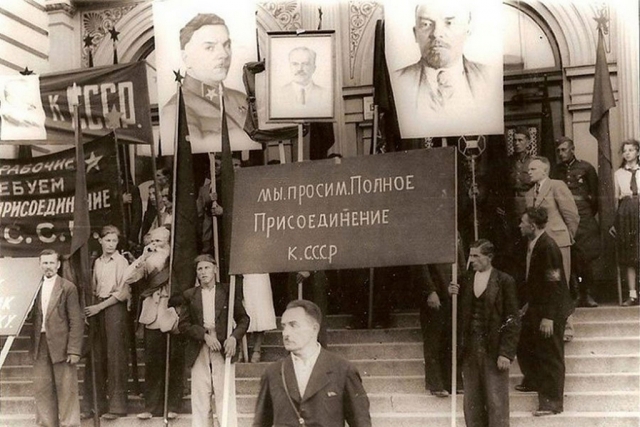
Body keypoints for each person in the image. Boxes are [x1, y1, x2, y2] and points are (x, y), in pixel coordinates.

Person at [252, 300, 372, 427]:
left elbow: (361, 423)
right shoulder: (273, 373)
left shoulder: (343, 370)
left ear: (314, 329)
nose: (285, 333)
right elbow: (260, 423)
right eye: (283, 326)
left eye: (293, 325)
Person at [394, 0, 499, 136]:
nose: (436, 33)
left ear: (467, 31)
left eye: (449, 23)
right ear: (415, 33)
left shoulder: (491, 78)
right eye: (426, 24)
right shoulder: (396, 82)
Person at [161, 13, 259, 152]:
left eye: (227, 45)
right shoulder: (176, 109)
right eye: (209, 47)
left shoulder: (241, 99)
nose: (224, 54)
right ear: (186, 57)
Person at [449, 240, 520, 427]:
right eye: (470, 255)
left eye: (476, 256)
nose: (471, 260)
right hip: (470, 347)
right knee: (472, 402)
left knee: (496, 401)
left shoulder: (504, 281)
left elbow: (512, 319)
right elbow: (457, 315)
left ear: (489, 257)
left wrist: (506, 353)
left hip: (493, 349)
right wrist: (451, 294)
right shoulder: (465, 280)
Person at [179, 255, 250, 427]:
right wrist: (204, 335)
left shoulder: (227, 291)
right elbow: (184, 325)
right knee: (201, 394)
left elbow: (243, 319)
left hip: (223, 346)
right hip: (199, 346)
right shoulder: (190, 295)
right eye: (200, 269)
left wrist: (233, 338)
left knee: (224, 393)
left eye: (207, 268)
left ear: (215, 270)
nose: (203, 272)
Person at [516, 207, 573, 416]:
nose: (519, 226)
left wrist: (549, 317)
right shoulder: (534, 243)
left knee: (551, 355)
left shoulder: (547, 247)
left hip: (551, 310)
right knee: (524, 341)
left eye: (522, 222)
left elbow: (553, 284)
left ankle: (551, 403)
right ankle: (533, 380)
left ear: (532, 226)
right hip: (537, 306)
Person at [123, 226, 184, 419]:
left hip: (172, 314)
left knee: (174, 362)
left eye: (159, 241)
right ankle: (151, 407)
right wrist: (142, 257)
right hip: (152, 315)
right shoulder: (148, 261)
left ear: (168, 242)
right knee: (152, 363)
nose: (155, 245)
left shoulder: (176, 260)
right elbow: (128, 278)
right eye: (152, 241)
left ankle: (172, 406)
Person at [525, 156, 579, 341]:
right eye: (528, 169)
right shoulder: (529, 193)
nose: (529, 172)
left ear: (545, 170)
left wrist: (567, 236)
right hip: (536, 246)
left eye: (533, 169)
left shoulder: (556, 186)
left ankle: (567, 327)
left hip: (558, 243)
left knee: (560, 282)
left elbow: (571, 215)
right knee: (541, 283)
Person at [81, 226, 130, 420]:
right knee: (96, 355)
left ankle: (117, 406)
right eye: (107, 240)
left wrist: (99, 307)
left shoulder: (121, 261)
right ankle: (95, 405)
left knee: (115, 355)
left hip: (113, 308)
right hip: (98, 308)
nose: (111, 244)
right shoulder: (97, 262)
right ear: (100, 240)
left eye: (114, 241)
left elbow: (123, 293)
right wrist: (91, 309)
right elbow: (94, 288)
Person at [29, 249, 83, 427]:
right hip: (40, 344)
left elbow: (76, 321)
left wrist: (74, 350)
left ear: (58, 265)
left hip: (62, 345)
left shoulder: (68, 287)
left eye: (51, 263)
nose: (48, 267)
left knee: (67, 390)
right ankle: (46, 424)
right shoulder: (34, 287)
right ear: (39, 265)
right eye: (44, 263)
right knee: (42, 389)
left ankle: (69, 424)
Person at [552, 137, 601, 307]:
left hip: (584, 218)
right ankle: (576, 294)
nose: (561, 153)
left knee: (585, 257)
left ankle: (588, 294)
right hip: (564, 218)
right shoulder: (556, 171)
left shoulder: (586, 168)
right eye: (558, 150)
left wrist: (585, 213)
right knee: (569, 256)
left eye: (564, 149)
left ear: (572, 149)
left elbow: (595, 197)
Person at [612, 139, 640, 305]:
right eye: (625, 151)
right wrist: (615, 222)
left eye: (631, 150)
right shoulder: (619, 174)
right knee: (630, 255)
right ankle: (632, 294)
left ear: (638, 152)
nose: (627, 153)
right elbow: (616, 199)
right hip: (626, 213)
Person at [278, 47, 331, 112]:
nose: (300, 69)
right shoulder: (278, 94)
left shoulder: (326, 94)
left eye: (305, 64)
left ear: (314, 68)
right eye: (295, 64)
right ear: (290, 67)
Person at [243, 273, 277, 363]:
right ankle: (243, 349)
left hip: (260, 275)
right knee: (245, 308)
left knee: (260, 311)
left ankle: (257, 350)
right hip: (244, 275)